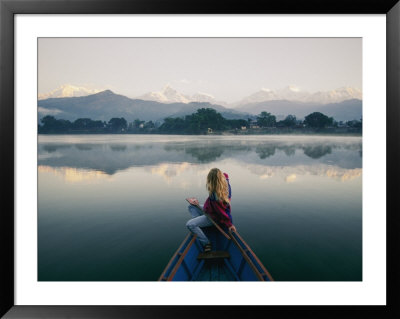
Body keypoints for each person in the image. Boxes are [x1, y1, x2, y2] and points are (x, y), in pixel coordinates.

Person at [186, 168, 236, 252]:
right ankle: (200, 225)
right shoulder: (225, 182)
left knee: (189, 224)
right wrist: (196, 203)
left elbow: (223, 213)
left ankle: (206, 242)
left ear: (212, 181)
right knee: (191, 206)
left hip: (213, 218)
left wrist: (230, 224)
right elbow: (225, 175)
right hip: (209, 210)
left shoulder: (216, 197)